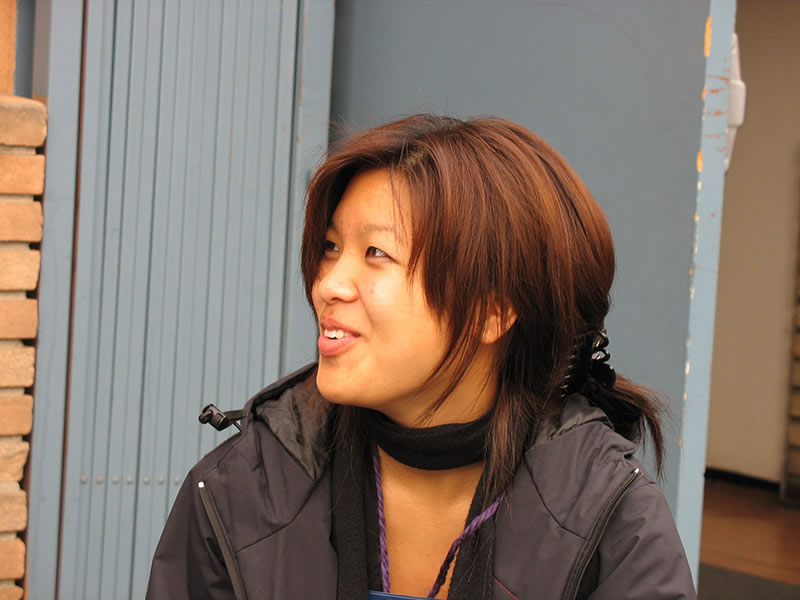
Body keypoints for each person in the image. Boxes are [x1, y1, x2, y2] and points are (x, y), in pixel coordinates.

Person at [146, 114, 697, 599]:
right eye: (332, 247)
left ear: (492, 310)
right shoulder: (244, 491)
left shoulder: (608, 519)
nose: (327, 284)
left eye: (376, 253)